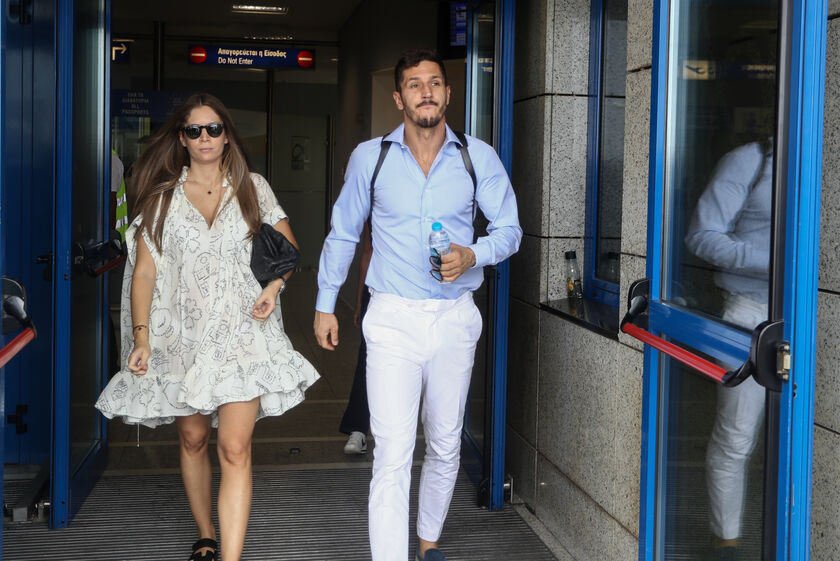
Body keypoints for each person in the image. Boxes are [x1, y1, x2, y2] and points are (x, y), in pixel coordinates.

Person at [314, 49, 522, 561]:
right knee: (392, 451)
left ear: (448, 93)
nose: (425, 92)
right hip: (392, 319)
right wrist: (325, 303)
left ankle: (429, 544)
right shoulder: (371, 158)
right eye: (414, 84)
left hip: (454, 318)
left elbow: (510, 230)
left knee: (446, 445)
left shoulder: (478, 157)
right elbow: (343, 233)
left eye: (434, 83)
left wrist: (474, 253)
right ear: (398, 98)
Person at [95, 93, 319, 561]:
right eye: (194, 130)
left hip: (243, 335)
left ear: (226, 135)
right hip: (181, 339)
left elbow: (288, 250)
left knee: (235, 448)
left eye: (213, 128)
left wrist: (273, 288)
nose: (204, 138)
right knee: (193, 439)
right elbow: (144, 273)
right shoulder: (162, 197)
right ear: (181, 138)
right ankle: (206, 534)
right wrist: (141, 337)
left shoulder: (252, 187)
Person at [684, 138, 773, 561]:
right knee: (737, 436)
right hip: (749, 313)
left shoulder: (819, 160)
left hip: (813, 314)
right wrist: (774, 259)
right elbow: (701, 236)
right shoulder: (748, 160)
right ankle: (728, 544)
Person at [339, 221, 373, 455]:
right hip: (379, 293)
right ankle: (358, 429)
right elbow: (367, 253)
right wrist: (360, 301)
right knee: (367, 360)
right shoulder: (376, 202)